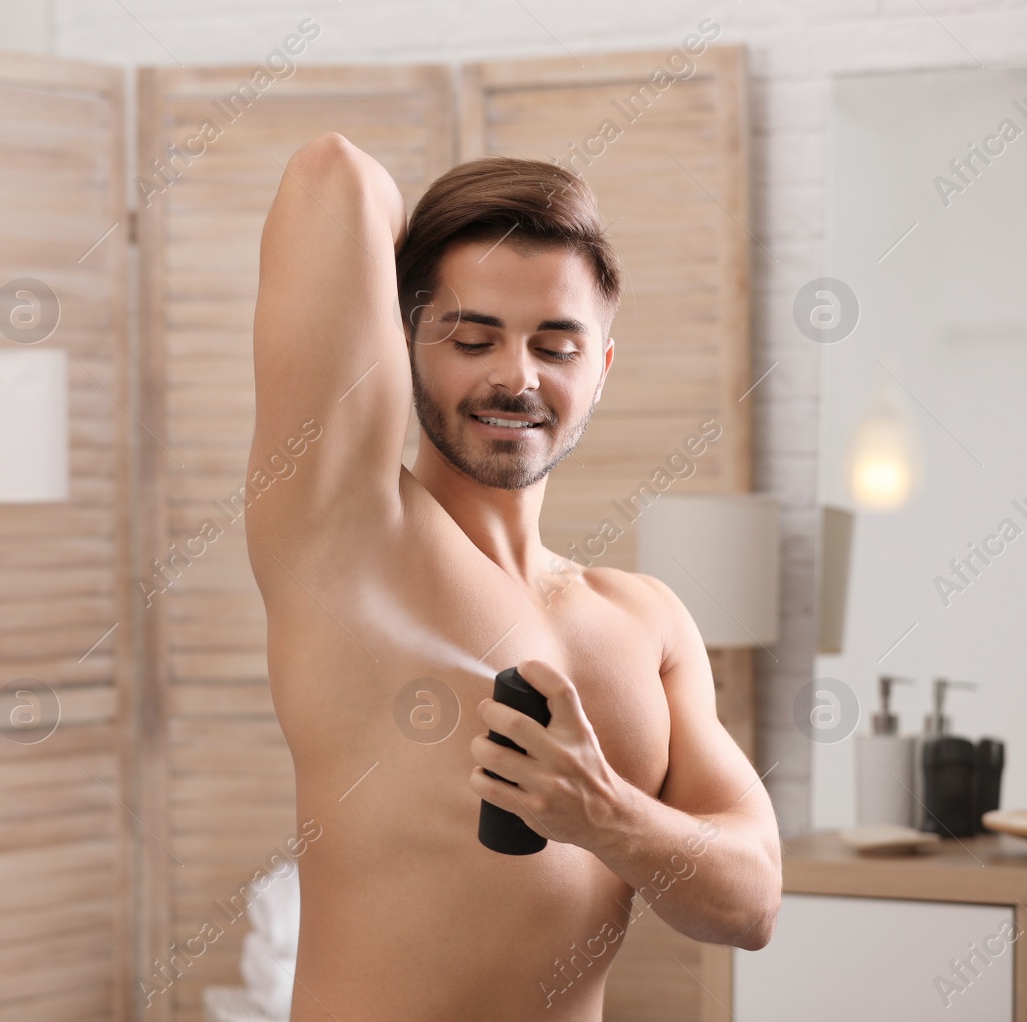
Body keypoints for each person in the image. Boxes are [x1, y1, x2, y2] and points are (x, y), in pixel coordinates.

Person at [244, 132, 781, 1021]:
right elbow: (329, 176)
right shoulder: (346, 536)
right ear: (407, 340)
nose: (514, 376)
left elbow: (751, 901)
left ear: (600, 370)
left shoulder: (645, 619)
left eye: (555, 345)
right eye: (471, 335)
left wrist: (604, 813)